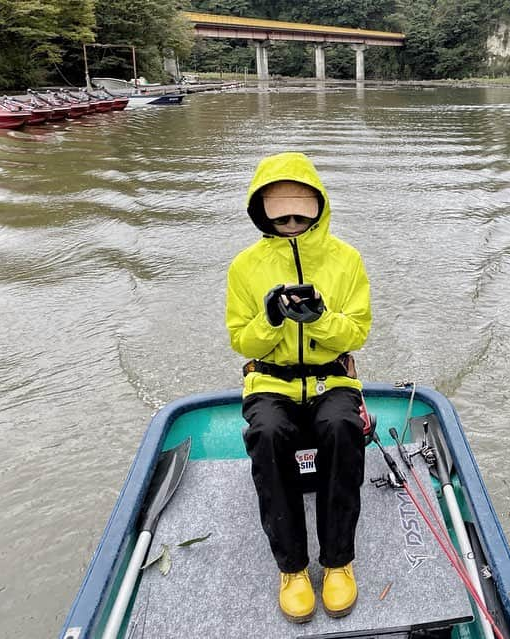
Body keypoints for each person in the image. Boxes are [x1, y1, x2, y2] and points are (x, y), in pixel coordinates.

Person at [225, 152, 372, 623]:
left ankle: (338, 561)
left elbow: (358, 333)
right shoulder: (244, 267)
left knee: (341, 426)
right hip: (271, 380)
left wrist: (322, 318)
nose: (291, 223)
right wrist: (270, 320)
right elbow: (239, 340)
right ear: (261, 211)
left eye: (300, 213)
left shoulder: (347, 260)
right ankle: (291, 568)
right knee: (266, 434)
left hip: (333, 377)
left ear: (318, 206)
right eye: (280, 214)